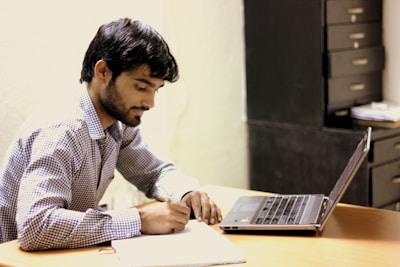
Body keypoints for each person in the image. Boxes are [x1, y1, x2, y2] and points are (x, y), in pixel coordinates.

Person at [0, 18, 222, 251]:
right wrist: (139, 220)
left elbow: (154, 172)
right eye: (141, 87)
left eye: (155, 90)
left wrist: (185, 192)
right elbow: (36, 226)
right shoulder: (61, 131)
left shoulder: (118, 122)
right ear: (103, 71)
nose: (150, 102)